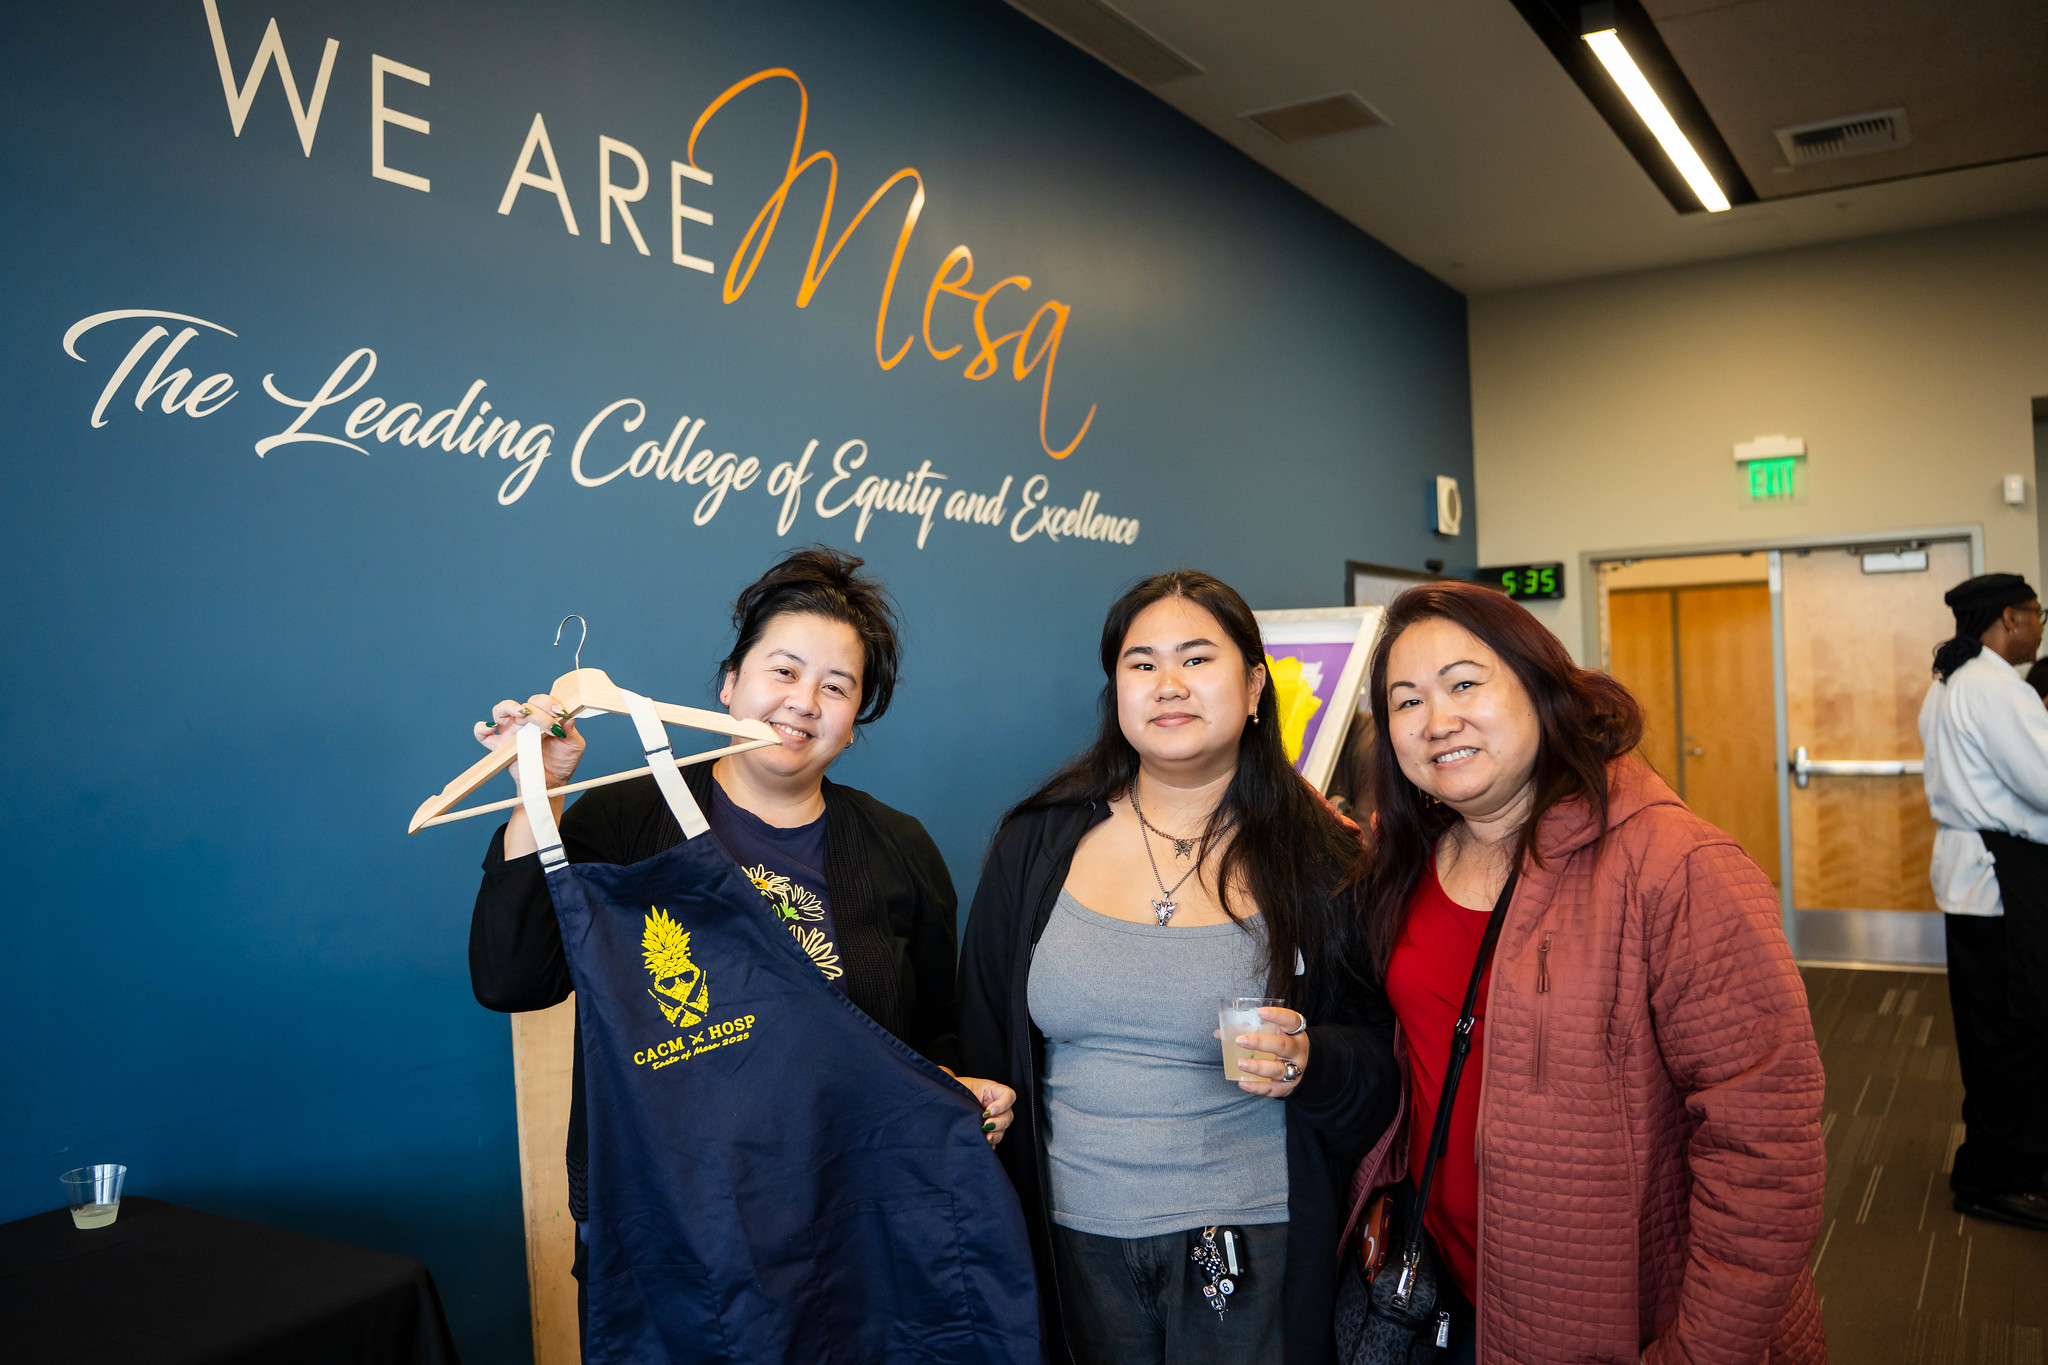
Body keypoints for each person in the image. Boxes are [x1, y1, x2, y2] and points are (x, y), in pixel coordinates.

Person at [467, 546, 1016, 1341]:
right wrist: (536, 798)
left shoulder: (898, 847)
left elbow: (929, 1033)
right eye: (783, 672)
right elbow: (513, 978)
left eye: (837, 686)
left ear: (855, 724)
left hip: (849, 1219)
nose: (804, 702)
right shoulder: (625, 820)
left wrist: (965, 1091)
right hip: (662, 1227)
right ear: (730, 683)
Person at [1356, 581, 1825, 1364]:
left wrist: (1697, 1352)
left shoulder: (1676, 866)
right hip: (1461, 1293)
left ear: (1542, 687)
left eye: (1465, 683)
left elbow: (1767, 1155)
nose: (1437, 720)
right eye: (1406, 702)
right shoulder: (1409, 865)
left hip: (1623, 1320)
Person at [959, 570, 1398, 1365]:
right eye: (1141, 663)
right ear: (1116, 689)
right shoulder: (1035, 843)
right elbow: (985, 1033)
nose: (1169, 685)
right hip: (1071, 1240)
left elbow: (1379, 1059)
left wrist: (1310, 1057)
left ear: (1255, 684)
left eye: (1197, 659)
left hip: (1252, 1240)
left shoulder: (1323, 859)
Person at [1919, 572, 2048, 1232]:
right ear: (2008, 617)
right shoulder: (1994, 686)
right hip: (2002, 877)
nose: (2040, 625)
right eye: (2036, 613)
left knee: (1991, 1028)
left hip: (1975, 878)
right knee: (2014, 1029)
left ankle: (1996, 1161)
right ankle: (1998, 1177)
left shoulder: (1951, 681)